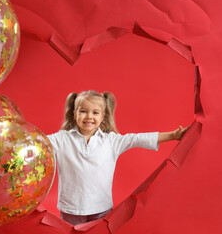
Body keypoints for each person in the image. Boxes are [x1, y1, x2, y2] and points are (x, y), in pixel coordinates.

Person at [47, 90, 188, 225]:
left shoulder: (111, 141)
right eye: (83, 111)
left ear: (102, 116)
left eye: (95, 112)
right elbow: (39, 141)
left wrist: (173, 135)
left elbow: (137, 139)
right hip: (71, 208)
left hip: (101, 207)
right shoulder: (62, 139)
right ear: (74, 113)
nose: (89, 116)